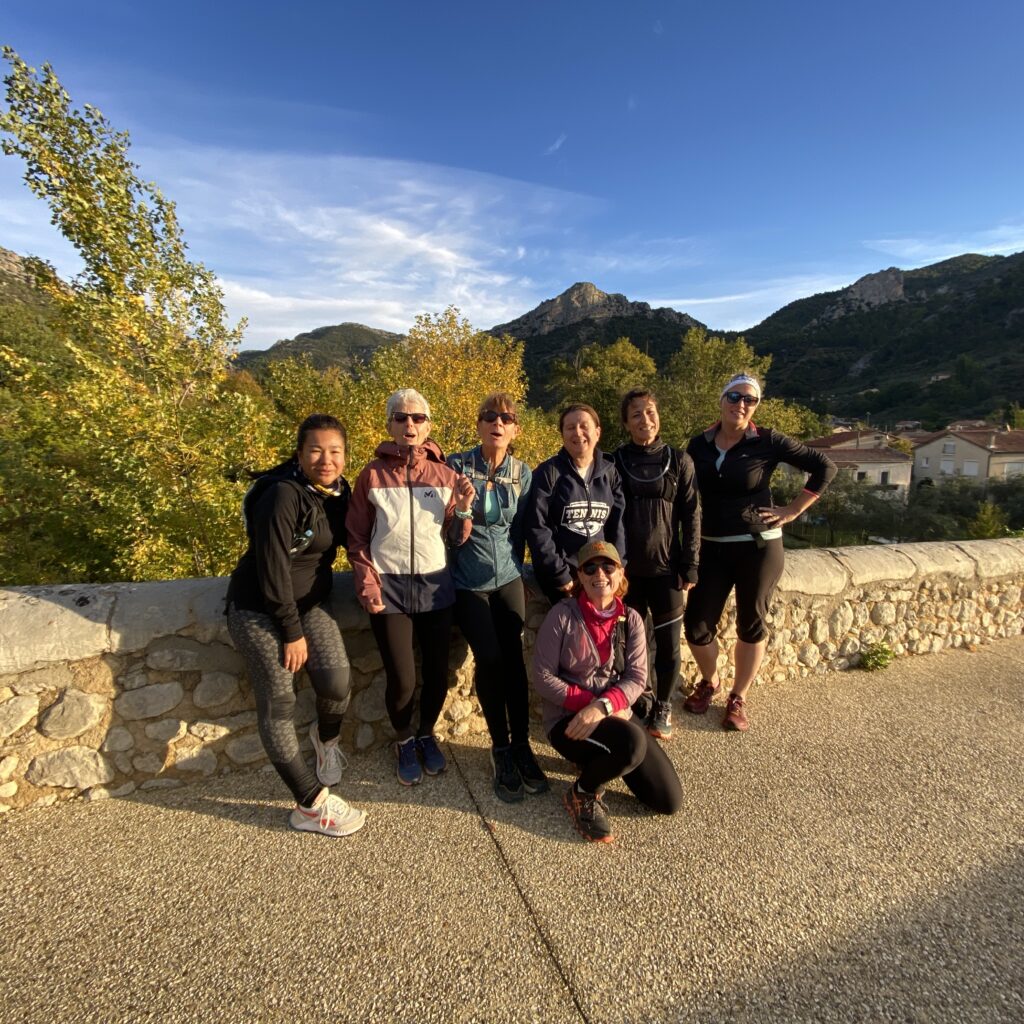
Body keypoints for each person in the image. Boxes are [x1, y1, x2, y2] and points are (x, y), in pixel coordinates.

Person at [225, 414, 366, 837]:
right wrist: (290, 631)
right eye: (316, 450)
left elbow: (359, 538)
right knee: (279, 698)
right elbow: (270, 569)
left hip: (309, 605)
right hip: (257, 608)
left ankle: (326, 743)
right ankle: (308, 802)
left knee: (337, 681)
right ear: (300, 454)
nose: (327, 459)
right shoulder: (283, 495)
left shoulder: (339, 494)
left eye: (335, 451)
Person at [683, 374, 836, 732]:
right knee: (696, 625)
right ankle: (710, 681)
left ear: (755, 406)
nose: (741, 405)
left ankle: (738, 697)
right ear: (721, 400)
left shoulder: (767, 440)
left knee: (751, 624)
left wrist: (792, 511)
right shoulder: (698, 444)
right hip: (711, 547)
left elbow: (824, 466)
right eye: (734, 397)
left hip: (759, 547)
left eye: (749, 400)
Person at [346, 388, 475, 785]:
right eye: (401, 418)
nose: (409, 425)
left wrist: (466, 508)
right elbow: (356, 536)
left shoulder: (445, 474)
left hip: (437, 587)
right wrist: (369, 584)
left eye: (418, 418)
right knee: (402, 678)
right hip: (391, 590)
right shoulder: (370, 474)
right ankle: (403, 740)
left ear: (428, 425)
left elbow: (456, 537)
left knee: (436, 673)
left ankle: (425, 734)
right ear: (389, 424)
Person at [533, 540, 683, 843]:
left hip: (611, 714)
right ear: (580, 576)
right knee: (632, 744)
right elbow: (541, 676)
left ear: (620, 573)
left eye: (607, 566)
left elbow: (637, 677)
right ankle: (583, 793)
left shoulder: (631, 620)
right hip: (568, 722)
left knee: (669, 799)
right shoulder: (562, 616)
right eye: (590, 567)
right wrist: (586, 705)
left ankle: (595, 761)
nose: (599, 573)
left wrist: (600, 708)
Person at [447, 393, 549, 802]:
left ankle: (522, 745)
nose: (498, 423)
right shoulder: (457, 466)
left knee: (514, 660)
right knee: (489, 659)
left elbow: (522, 529)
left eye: (506, 418)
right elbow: (448, 529)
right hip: (468, 582)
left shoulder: (522, 473)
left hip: (507, 577)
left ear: (515, 430)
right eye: (490, 416)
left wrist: (523, 573)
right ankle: (500, 747)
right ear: (479, 425)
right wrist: (463, 508)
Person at [614, 388, 700, 740]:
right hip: (626, 574)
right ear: (626, 423)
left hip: (667, 572)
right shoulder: (615, 461)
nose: (645, 420)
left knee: (667, 645)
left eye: (650, 412)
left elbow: (693, 515)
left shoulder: (680, 461)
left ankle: (663, 704)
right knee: (626, 645)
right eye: (636, 414)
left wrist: (691, 562)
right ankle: (638, 698)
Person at [526, 403, 626, 606]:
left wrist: (617, 567)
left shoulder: (609, 473)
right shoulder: (549, 473)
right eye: (570, 427)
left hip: (600, 578)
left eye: (584, 426)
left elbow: (618, 525)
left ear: (597, 432)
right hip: (564, 581)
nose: (578, 432)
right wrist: (559, 574)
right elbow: (537, 527)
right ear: (562, 434)